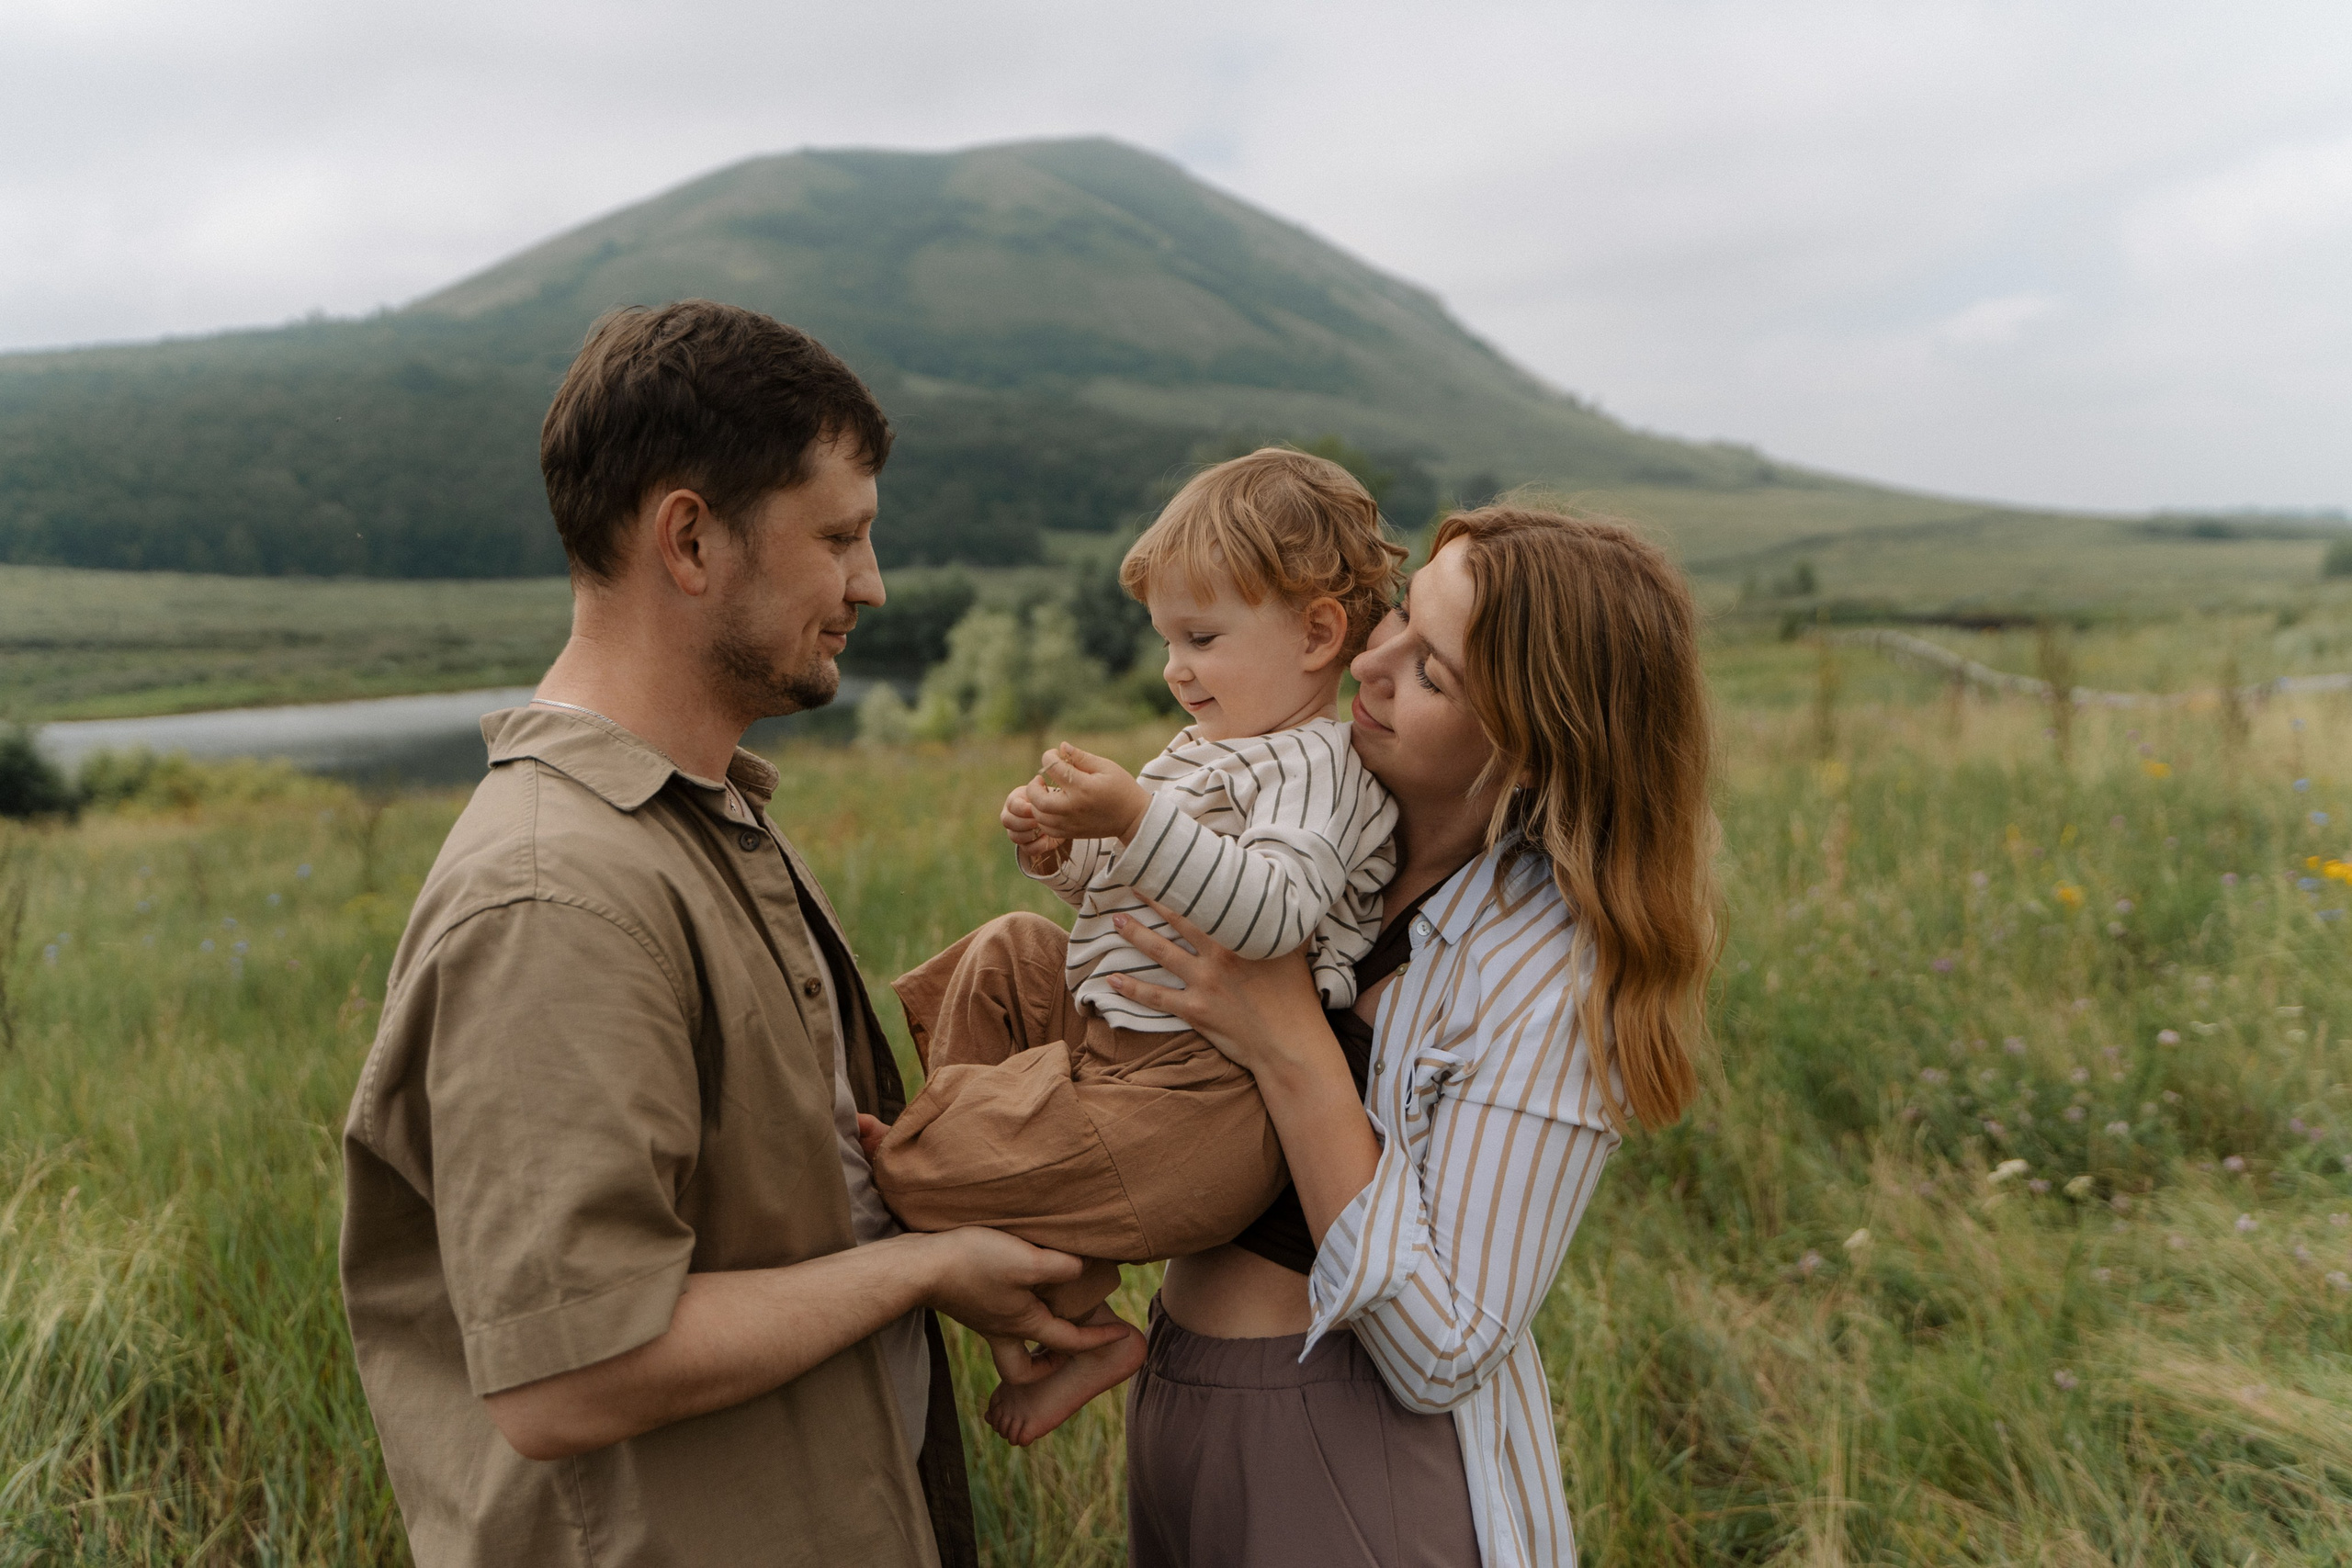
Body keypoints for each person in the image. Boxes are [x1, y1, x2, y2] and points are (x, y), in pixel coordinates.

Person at [338, 299, 1125, 1568]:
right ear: (690, 539)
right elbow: (567, 1375)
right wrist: (924, 1273)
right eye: (839, 537)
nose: (870, 583)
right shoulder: (556, 893)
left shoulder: (705, 822)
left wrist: (962, 1237)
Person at [1111, 505, 1720, 1568]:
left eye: (1432, 673)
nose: (1369, 662)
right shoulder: (1312, 828)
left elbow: (1444, 1346)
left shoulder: (1549, 972)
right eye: (1397, 617)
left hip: (1349, 1460)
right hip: (1178, 1397)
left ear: (1536, 747)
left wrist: (1292, 1041)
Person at [868, 448, 1407, 1445]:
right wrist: (1067, 853)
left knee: (889, 1179)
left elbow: (1271, 916)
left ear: (1317, 633)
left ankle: (949, 1166)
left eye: (1200, 637)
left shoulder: (1316, 770)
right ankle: (1065, 1290)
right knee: (1007, 949)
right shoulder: (1199, 753)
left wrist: (1133, 811)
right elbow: (1129, 894)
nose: (1174, 668)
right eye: (1165, 640)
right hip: (1121, 1035)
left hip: (1203, 1097)